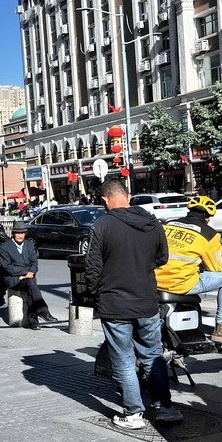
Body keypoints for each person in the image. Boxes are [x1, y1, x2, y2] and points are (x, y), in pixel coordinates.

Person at [85, 178, 178, 429]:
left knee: (124, 359)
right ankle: (164, 407)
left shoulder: (102, 225)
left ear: (106, 199)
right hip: (146, 299)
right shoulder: (152, 222)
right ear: (128, 196)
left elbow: (92, 267)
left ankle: (133, 413)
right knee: (152, 355)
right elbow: (163, 257)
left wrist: (93, 292)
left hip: (114, 304)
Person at [154, 195, 222, 345]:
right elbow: (216, 268)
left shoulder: (167, 225)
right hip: (180, 284)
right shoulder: (209, 234)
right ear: (207, 217)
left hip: (155, 280)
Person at [0, 223, 57, 329]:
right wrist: (25, 273)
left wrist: (31, 273)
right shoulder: (5, 247)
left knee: (30, 287)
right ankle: (43, 311)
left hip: (28, 277)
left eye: (22, 233)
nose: (20, 236)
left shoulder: (29, 244)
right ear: (13, 234)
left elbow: (34, 263)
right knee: (31, 284)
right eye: (17, 233)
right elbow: (7, 267)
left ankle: (33, 322)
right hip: (13, 278)